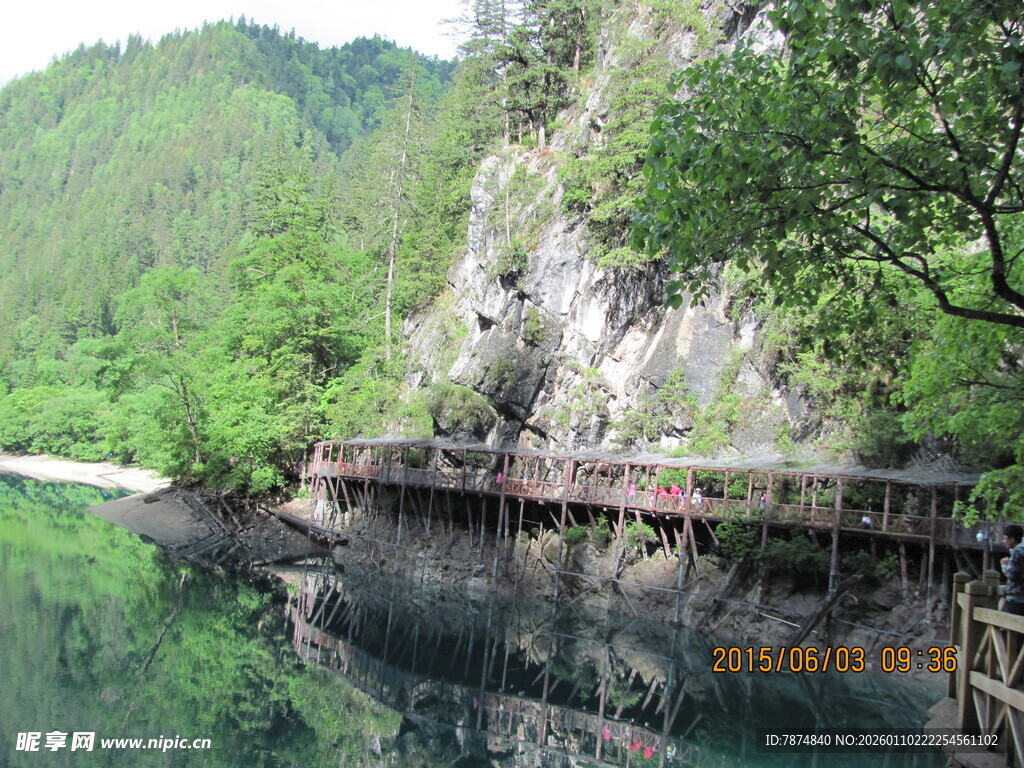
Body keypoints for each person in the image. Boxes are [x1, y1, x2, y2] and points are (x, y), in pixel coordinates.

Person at [1001, 525, 1024, 615]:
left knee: (1012, 626)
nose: (1003, 541)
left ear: (1012, 539)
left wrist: (1004, 565)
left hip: (1017, 597)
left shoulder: (1018, 552)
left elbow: (1012, 575)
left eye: (1005, 538)